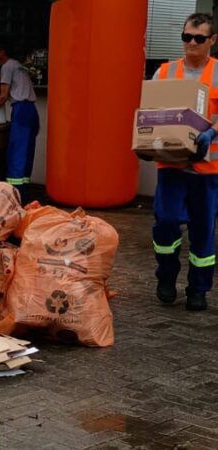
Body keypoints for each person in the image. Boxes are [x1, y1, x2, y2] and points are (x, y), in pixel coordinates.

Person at [150, 13, 218, 311]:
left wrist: (213, 131)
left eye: (199, 38)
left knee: (203, 231)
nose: (191, 43)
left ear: (212, 41)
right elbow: (149, 112)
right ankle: (166, 277)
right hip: (171, 165)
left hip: (207, 170)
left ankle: (198, 290)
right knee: (165, 224)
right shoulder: (164, 72)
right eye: (186, 37)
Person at [0, 43, 40, 202]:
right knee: (27, 150)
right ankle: (24, 193)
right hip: (32, 111)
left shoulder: (7, 67)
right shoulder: (19, 66)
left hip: (22, 110)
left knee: (17, 150)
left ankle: (14, 195)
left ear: (1, 52)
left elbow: (3, 95)